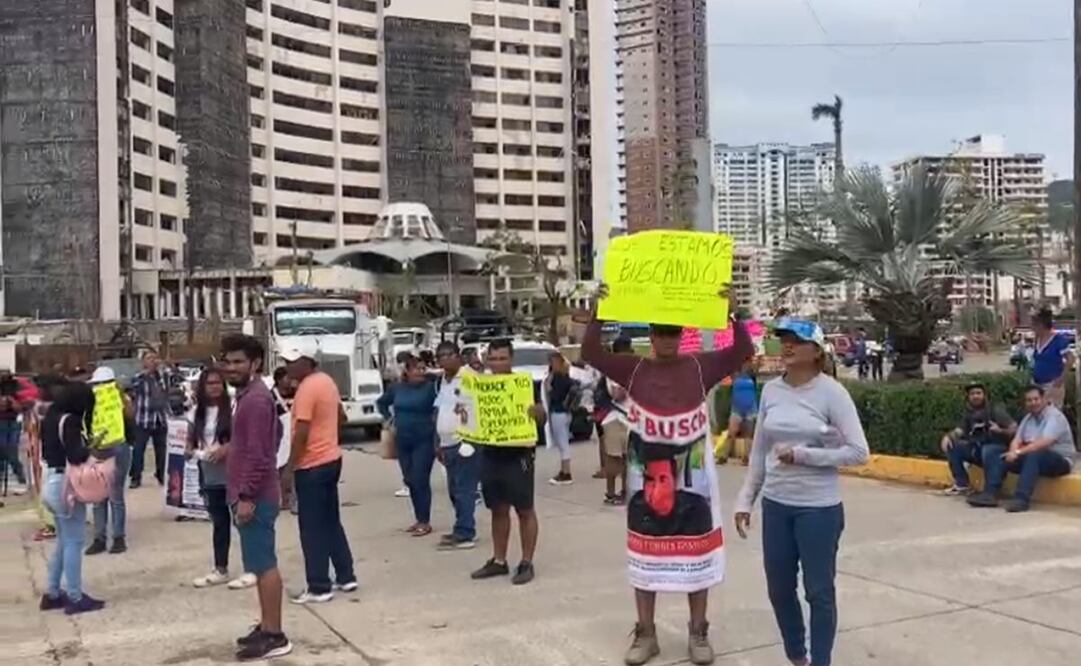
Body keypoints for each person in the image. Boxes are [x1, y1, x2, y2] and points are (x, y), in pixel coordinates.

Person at [582, 290, 754, 666]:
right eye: (660, 332)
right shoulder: (634, 368)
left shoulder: (700, 366)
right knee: (645, 561)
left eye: (673, 332)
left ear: (681, 334)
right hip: (646, 480)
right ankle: (646, 634)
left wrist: (733, 314)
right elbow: (591, 354)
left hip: (693, 483)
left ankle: (698, 632)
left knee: (698, 559)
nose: (666, 339)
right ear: (651, 335)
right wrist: (599, 314)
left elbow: (743, 351)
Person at [734, 319, 870, 666]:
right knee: (779, 590)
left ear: (817, 351)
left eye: (796, 340)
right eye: (784, 339)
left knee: (818, 593)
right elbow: (760, 451)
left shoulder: (832, 393)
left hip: (818, 509)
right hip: (777, 505)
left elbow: (858, 452)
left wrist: (804, 455)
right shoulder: (771, 391)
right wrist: (746, 499)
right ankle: (797, 657)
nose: (788, 346)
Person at [221, 334, 291, 661]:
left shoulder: (256, 400)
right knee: (258, 565)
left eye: (238, 362)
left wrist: (247, 495)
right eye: (228, 361)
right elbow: (273, 436)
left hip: (256, 496)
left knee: (264, 566)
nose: (231, 367)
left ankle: (275, 635)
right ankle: (266, 625)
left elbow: (261, 453)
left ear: (256, 363)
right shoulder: (250, 395)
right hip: (249, 492)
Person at [279, 346, 358, 604]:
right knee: (330, 520)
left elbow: (301, 432)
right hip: (331, 459)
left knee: (312, 527)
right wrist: (328, 437)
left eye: (293, 361)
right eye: (286, 360)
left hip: (311, 465)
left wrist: (289, 469)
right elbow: (341, 416)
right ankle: (346, 575)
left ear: (308, 361)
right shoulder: (326, 381)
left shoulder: (306, 389)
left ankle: (319, 586)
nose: (288, 366)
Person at [469, 338, 546, 586]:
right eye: (492, 359)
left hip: (519, 456)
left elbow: (541, 418)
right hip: (491, 454)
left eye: (502, 358)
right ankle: (499, 560)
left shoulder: (524, 385)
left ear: (511, 359)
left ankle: (526, 562)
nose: (497, 364)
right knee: (498, 509)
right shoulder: (480, 387)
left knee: (525, 509)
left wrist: (538, 414)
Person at [39, 381, 106, 615]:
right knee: (74, 542)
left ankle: (52, 592)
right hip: (66, 485)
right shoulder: (71, 421)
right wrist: (91, 447)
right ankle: (75, 596)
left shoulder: (50, 417)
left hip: (51, 481)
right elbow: (76, 456)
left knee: (63, 540)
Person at [188, 368, 254, 590]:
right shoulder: (195, 413)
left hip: (233, 473)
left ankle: (251, 568)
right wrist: (199, 453)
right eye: (210, 383)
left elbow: (244, 437)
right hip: (210, 474)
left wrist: (226, 449)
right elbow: (189, 445)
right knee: (219, 523)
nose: (214, 387)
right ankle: (220, 568)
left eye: (217, 383)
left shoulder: (234, 408)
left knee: (243, 522)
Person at [967, 385, 1076, 513]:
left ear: (1044, 399)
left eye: (1036, 399)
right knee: (995, 452)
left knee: (1034, 454)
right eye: (1029, 400)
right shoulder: (1028, 418)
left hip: (1059, 460)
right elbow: (1017, 440)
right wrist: (1012, 452)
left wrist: (1018, 452)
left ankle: (1021, 499)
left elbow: (1044, 443)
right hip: (1032, 458)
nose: (1033, 403)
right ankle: (990, 494)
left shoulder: (1054, 416)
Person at [377, 355, 438, 537]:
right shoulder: (397, 388)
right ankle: (418, 518)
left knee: (420, 479)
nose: (420, 372)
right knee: (410, 480)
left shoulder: (431, 388)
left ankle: (425, 521)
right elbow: (381, 403)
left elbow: (440, 405)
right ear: (407, 371)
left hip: (424, 439)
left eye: (423, 368)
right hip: (402, 439)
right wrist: (389, 419)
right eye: (416, 369)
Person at [434, 341, 480, 550]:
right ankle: (462, 525)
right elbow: (440, 409)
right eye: (441, 356)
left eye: (449, 355)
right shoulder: (443, 381)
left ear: (458, 356)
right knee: (453, 489)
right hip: (447, 442)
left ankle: (465, 532)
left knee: (464, 489)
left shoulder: (470, 377)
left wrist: (472, 438)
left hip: (465, 441)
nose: (445, 359)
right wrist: (437, 442)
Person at [85, 367, 134, 556]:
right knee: (115, 496)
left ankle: (102, 539)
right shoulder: (121, 398)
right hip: (117, 446)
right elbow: (131, 418)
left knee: (101, 497)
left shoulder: (91, 398)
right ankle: (116, 539)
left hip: (100, 448)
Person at [939, 383, 1017, 496]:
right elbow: (960, 430)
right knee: (953, 446)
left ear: (984, 395)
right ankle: (962, 485)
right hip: (976, 449)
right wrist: (948, 437)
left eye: (978, 393)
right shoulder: (969, 413)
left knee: (988, 451)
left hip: (996, 450)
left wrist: (1000, 430)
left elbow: (1014, 428)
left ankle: (991, 490)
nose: (975, 396)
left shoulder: (995, 410)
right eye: (972, 394)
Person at [129, 351, 180, 488]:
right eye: (149, 358)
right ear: (143, 362)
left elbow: (174, 381)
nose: (152, 361)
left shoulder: (162, 376)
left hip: (160, 418)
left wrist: (170, 367)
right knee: (139, 449)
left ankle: (161, 474)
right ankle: (136, 477)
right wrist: (147, 374)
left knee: (161, 450)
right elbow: (134, 386)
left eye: (154, 358)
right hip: (143, 418)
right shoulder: (139, 377)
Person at [598, 336, 633, 505]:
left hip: (630, 419)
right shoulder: (613, 371)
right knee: (613, 458)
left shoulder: (633, 369)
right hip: (614, 419)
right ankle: (611, 492)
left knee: (628, 459)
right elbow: (616, 395)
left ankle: (625, 491)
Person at [544, 352, 576, 486]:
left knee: (563, 444)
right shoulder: (567, 377)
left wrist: (548, 387)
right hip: (566, 413)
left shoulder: (557, 378)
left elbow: (554, 395)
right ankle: (564, 470)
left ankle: (566, 473)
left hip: (558, 413)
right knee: (564, 442)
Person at [1030, 308, 1071, 408]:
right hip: (1037, 384)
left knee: (1051, 413)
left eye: (1034, 325)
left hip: (1052, 385)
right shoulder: (1037, 340)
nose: (1032, 328)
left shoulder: (1058, 340)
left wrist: (1061, 378)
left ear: (1041, 325)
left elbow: (1070, 359)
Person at [271, 368, 298, 514]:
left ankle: (292, 498)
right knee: (280, 466)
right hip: (279, 433)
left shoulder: (297, 393)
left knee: (293, 466)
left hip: (293, 432)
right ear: (279, 380)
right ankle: (281, 498)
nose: (290, 381)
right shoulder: (271, 395)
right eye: (287, 378)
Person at [726, 359, 758, 465]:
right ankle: (724, 455)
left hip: (750, 408)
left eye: (748, 362)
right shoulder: (735, 374)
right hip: (737, 408)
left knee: (748, 434)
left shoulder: (752, 375)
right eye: (744, 362)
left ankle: (747, 458)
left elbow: (755, 388)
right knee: (731, 433)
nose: (746, 364)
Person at [0, 372, 27, 492]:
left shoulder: (16, 392)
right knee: (2, 449)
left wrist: (11, 401)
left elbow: (20, 408)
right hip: (2, 422)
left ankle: (19, 474)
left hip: (14, 421)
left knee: (12, 449)